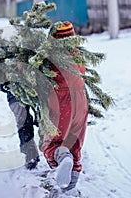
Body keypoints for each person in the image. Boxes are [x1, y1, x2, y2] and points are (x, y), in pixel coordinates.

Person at [40, 21, 88, 192]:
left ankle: (63, 157)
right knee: (74, 144)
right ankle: (70, 190)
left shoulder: (50, 58)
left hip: (60, 101)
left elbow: (32, 74)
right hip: (81, 101)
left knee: (53, 143)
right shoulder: (78, 55)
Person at [0, 82, 40, 170]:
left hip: (37, 85)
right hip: (14, 91)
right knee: (23, 120)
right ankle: (30, 153)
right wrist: (2, 85)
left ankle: (52, 150)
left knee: (46, 118)